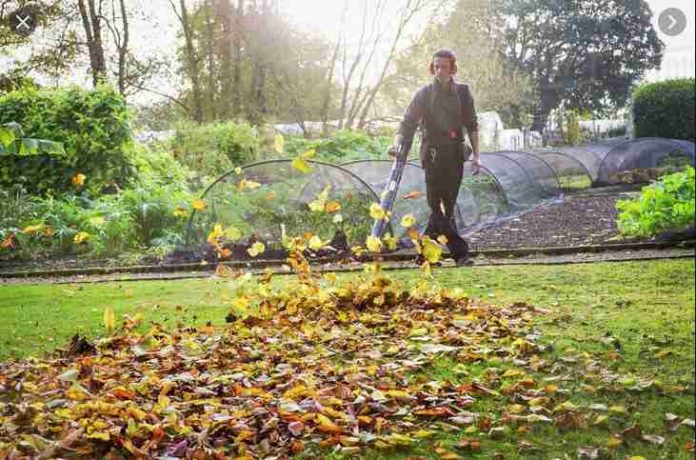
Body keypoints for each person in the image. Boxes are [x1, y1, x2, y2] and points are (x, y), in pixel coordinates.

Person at [390, 48, 480, 266]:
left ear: (453, 68)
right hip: (432, 155)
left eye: (444, 67)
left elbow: (472, 125)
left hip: (456, 154)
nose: (439, 70)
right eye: (436, 66)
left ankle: (424, 257)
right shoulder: (424, 94)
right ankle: (461, 254)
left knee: (447, 208)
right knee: (435, 204)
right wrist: (396, 143)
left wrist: (477, 156)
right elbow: (408, 121)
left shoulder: (463, 93)